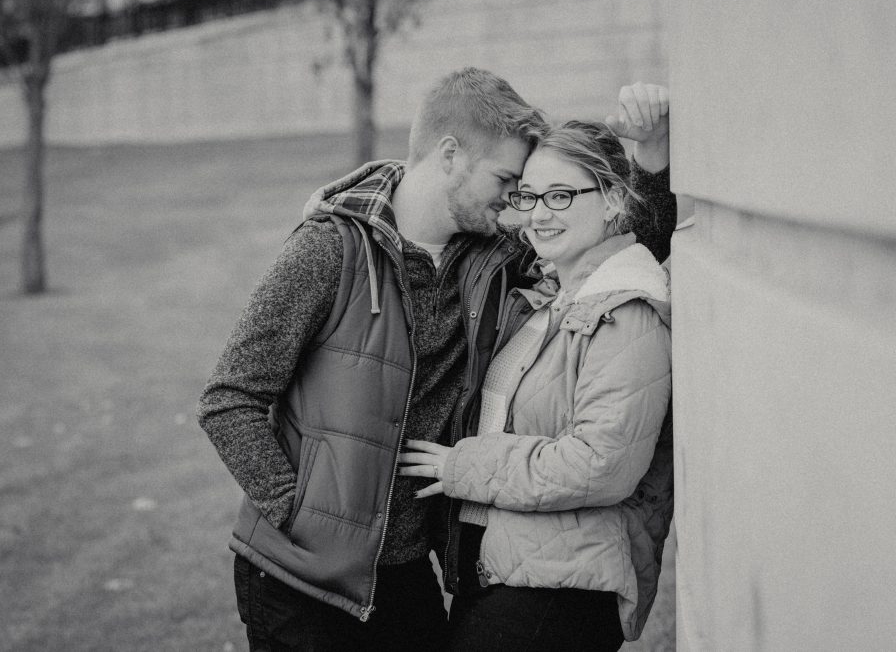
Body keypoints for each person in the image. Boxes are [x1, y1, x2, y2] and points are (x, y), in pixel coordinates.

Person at [196, 67, 547, 651]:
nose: (513, 200)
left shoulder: (490, 261)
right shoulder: (328, 249)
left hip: (407, 576)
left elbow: (607, 247)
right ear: (450, 154)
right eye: (505, 178)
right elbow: (228, 398)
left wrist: (655, 165)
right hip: (297, 578)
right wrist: (299, 513)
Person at [398, 84, 677, 650]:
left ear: (614, 202)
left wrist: (463, 467)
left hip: (562, 589)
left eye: (561, 196)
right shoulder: (550, 299)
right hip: (511, 571)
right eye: (528, 196)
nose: (539, 214)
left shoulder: (626, 310)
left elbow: (601, 464)